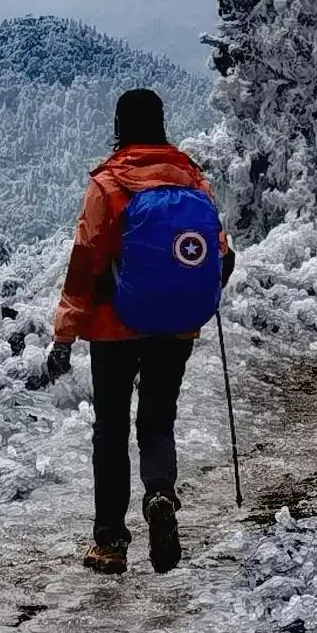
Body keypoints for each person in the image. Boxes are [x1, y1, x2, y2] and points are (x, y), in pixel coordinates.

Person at [45, 85, 229, 576]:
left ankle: (110, 543)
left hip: (113, 328)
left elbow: (85, 264)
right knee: (157, 420)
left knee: (111, 429)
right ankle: (161, 492)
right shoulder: (192, 181)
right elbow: (219, 254)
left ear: (120, 126)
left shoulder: (109, 185)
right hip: (175, 327)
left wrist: (64, 334)